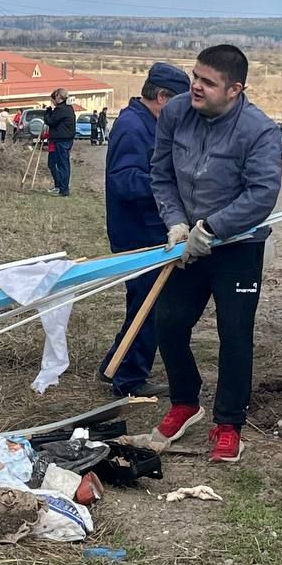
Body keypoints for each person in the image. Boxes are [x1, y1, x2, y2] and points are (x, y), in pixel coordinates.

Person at [149, 45, 282, 463]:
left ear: (234, 89)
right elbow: (161, 173)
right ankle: (185, 402)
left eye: (207, 82)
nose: (196, 86)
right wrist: (176, 223)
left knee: (234, 333)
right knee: (167, 322)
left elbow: (262, 194)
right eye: (195, 76)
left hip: (237, 246)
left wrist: (213, 228)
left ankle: (229, 425)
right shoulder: (175, 114)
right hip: (187, 240)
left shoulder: (259, 131)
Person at [98, 62, 191, 396]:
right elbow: (124, 181)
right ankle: (130, 380)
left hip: (146, 228)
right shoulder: (133, 127)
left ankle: (115, 364)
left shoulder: (145, 123)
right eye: (180, 103)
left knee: (142, 304)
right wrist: (171, 183)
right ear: (163, 97)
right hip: (138, 232)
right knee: (150, 307)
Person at [44, 88, 76, 196]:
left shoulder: (61, 109)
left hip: (62, 140)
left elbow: (51, 122)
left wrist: (47, 113)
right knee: (60, 164)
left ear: (58, 97)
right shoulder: (68, 108)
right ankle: (61, 187)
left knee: (63, 165)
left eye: (56, 96)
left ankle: (63, 189)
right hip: (64, 139)